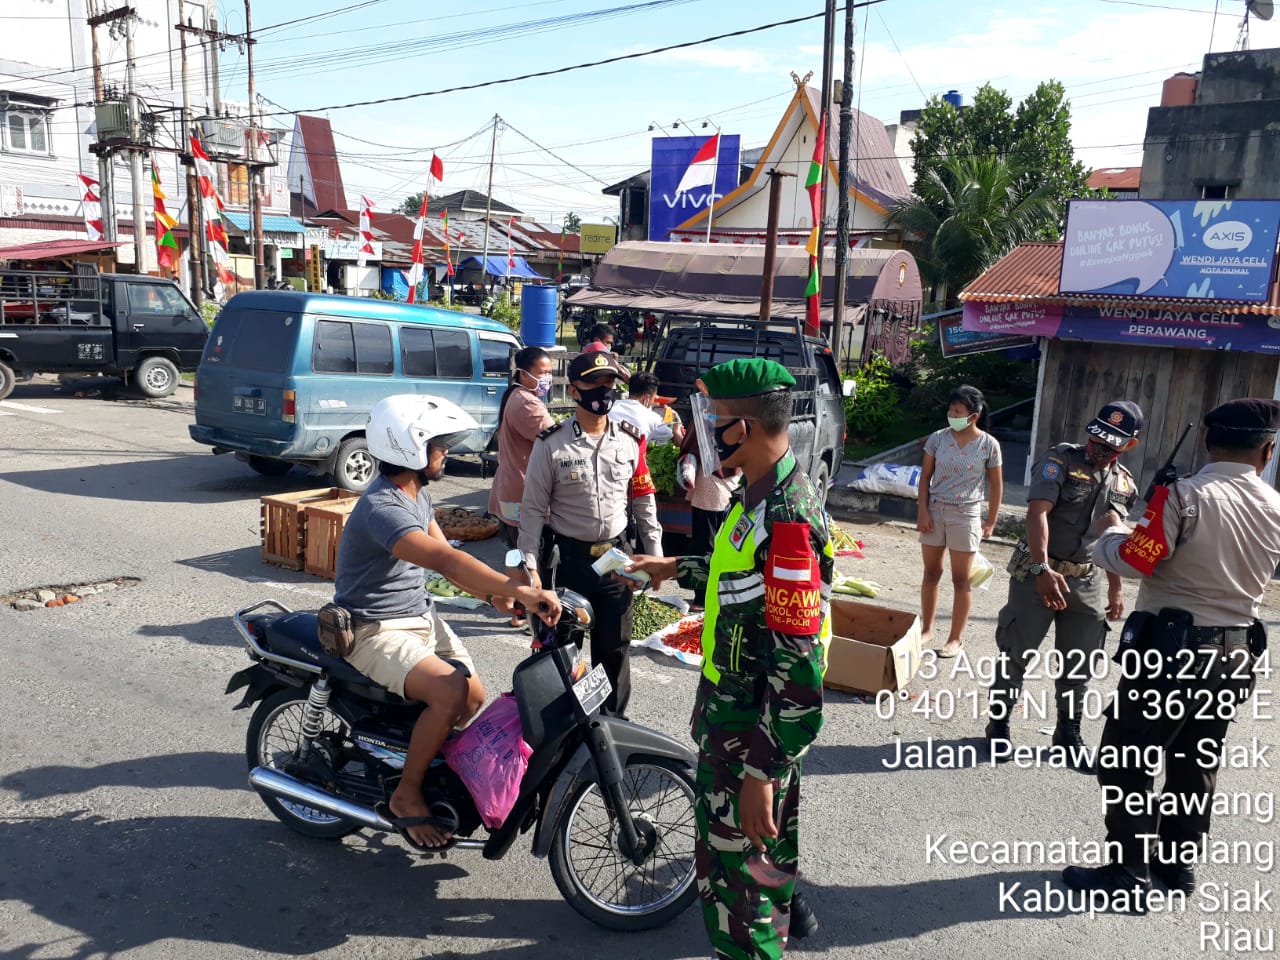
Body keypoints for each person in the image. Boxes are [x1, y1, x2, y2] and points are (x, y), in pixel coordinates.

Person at [627, 358, 832, 959]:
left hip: (751, 737)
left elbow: (799, 666)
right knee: (745, 877)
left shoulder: (788, 516)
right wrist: (671, 567)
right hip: (732, 722)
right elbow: (741, 584)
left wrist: (762, 774)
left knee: (742, 902)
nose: (704, 431)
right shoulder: (757, 496)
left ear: (743, 428)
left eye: (713, 419)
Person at [1063, 398, 1280, 904]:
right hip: (1231, 655)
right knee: (1195, 760)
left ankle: (1126, 875)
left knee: (1127, 759)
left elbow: (1139, 561)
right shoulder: (1275, 507)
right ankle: (1176, 868)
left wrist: (1110, 535)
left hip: (1170, 652)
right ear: (1267, 452)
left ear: (1206, 440)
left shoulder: (1185, 495)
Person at [334, 394, 560, 850]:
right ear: (409, 449)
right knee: (450, 691)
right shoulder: (383, 508)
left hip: (417, 615)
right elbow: (443, 558)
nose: (447, 452)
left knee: (474, 697)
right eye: (438, 445)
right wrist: (520, 590)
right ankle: (406, 793)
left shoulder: (417, 496)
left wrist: (497, 594)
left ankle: (424, 763)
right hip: (373, 627)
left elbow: (450, 561)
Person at [986, 401, 1143, 769]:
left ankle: (1067, 733)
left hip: (1085, 578)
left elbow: (1112, 536)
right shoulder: (1060, 460)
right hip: (1036, 574)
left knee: (1079, 663)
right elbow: (1037, 512)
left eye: (1110, 445)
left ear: (1129, 446)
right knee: (1016, 654)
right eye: (1096, 439)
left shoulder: (1124, 483)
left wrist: (1116, 587)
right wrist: (1042, 569)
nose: (1099, 448)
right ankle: (998, 725)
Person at [514, 350, 660, 718]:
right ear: (575, 390)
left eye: (609, 384)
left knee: (614, 650)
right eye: (594, 383)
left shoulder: (628, 441)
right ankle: (566, 727)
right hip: (570, 563)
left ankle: (611, 727)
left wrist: (655, 556)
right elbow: (532, 510)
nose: (603, 391)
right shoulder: (551, 443)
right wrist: (529, 566)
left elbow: (643, 501)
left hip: (616, 562)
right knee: (562, 649)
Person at [916, 385, 1003, 658]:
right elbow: (925, 477)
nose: (951, 414)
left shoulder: (989, 445)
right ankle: (927, 629)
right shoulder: (938, 439)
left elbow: (996, 486)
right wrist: (922, 511)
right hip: (935, 510)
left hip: (966, 515)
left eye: (958, 411)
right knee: (931, 573)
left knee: (961, 579)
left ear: (973, 416)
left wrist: (990, 521)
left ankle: (955, 639)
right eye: (951, 410)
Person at [488, 347, 555, 626]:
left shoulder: (516, 396)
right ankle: (532, 611)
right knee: (531, 555)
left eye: (550, 373)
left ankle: (517, 608)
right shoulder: (527, 403)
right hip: (523, 490)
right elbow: (554, 437)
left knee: (518, 552)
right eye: (543, 373)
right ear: (524, 373)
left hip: (511, 487)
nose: (548, 378)